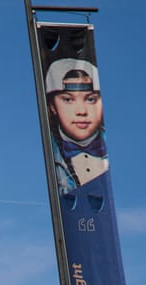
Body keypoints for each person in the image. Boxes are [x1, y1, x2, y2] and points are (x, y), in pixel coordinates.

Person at [44, 58, 107, 191]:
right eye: (68, 99)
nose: (81, 111)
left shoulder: (109, 150)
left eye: (90, 99)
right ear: (52, 106)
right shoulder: (51, 153)